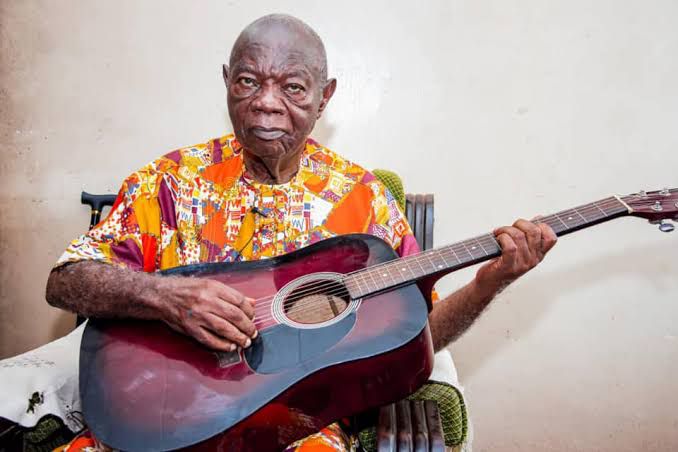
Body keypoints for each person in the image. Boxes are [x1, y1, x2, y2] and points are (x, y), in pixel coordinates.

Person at [46, 14, 557, 452]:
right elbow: (66, 281)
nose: (266, 103)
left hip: (299, 428)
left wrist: (490, 282)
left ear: (324, 97)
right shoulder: (170, 182)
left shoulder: (361, 200)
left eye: (292, 87)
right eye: (248, 82)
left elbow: (413, 339)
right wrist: (167, 298)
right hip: (159, 415)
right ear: (226, 81)